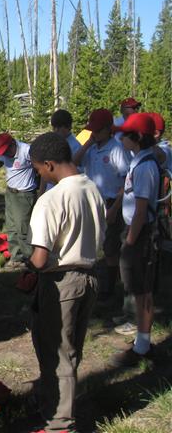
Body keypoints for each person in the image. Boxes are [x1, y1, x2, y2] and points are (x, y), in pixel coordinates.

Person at [27, 133, 105, 433]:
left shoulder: (52, 199)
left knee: (57, 352)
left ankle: (60, 422)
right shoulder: (92, 187)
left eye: (38, 169)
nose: (38, 175)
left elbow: (39, 258)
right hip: (90, 277)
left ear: (49, 164)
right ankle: (54, 401)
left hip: (61, 282)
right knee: (71, 349)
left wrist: (29, 265)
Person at [110, 114, 160, 367]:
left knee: (142, 291)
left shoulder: (145, 167)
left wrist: (130, 242)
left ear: (138, 137)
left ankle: (143, 345)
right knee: (137, 288)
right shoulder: (138, 162)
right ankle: (142, 340)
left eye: (125, 135)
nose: (121, 139)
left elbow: (141, 210)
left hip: (139, 234)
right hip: (135, 231)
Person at [72, 109, 132, 317]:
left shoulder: (116, 149)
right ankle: (98, 283)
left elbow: (126, 181)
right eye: (92, 131)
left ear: (108, 129)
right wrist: (87, 143)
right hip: (93, 203)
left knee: (111, 248)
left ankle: (110, 288)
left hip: (111, 202)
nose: (94, 134)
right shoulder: (91, 149)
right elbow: (74, 162)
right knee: (94, 244)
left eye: (98, 131)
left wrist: (114, 208)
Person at [0, 133, 38, 266]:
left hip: (24, 195)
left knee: (23, 228)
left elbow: (39, 166)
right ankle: (16, 257)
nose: (4, 154)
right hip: (10, 193)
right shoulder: (5, 152)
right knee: (11, 227)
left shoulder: (27, 151)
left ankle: (30, 259)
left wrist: (40, 186)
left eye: (5, 151)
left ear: (12, 144)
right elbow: (0, 159)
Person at [39, 110, 81, 194]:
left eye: (59, 128)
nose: (56, 130)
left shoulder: (75, 146)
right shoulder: (52, 142)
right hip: (49, 191)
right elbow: (44, 171)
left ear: (68, 127)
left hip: (65, 192)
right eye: (54, 128)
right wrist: (41, 193)